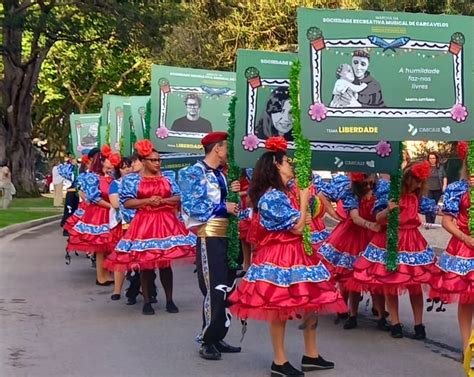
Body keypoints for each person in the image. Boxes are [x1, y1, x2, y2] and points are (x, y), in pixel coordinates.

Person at [229, 136, 346, 377]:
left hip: (299, 254)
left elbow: (318, 209)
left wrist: (310, 197)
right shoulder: (271, 197)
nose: (291, 164)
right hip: (279, 257)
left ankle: (311, 355)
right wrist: (304, 201)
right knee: (279, 306)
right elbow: (298, 227)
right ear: (276, 165)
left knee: (311, 302)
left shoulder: (289, 190)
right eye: (286, 161)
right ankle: (279, 361)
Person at [104, 140, 196, 315]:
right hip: (144, 223)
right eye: (153, 160)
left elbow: (178, 197)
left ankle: (170, 300)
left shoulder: (168, 177)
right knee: (146, 264)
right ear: (143, 161)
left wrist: (162, 201)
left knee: (165, 263)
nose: (157, 163)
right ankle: (147, 302)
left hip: (167, 223)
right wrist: (147, 201)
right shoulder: (132, 180)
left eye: (158, 160)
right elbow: (127, 202)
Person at [351, 161, 438, 339]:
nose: (419, 185)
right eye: (417, 181)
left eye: (422, 182)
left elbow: (439, 209)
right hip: (391, 239)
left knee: (414, 284)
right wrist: (388, 211)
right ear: (407, 178)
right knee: (391, 282)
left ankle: (419, 324)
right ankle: (395, 323)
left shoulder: (417, 197)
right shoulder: (390, 193)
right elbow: (378, 218)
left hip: (412, 241)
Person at [178, 131, 242, 360]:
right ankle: (207, 339)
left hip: (228, 235)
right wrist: (224, 207)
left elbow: (232, 206)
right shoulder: (192, 173)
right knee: (213, 288)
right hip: (210, 236)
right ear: (218, 148)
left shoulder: (221, 175)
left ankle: (218, 334)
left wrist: (235, 195)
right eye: (227, 148)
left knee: (228, 287)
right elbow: (192, 205)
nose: (229, 154)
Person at [317, 173, 386, 330]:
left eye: (370, 182)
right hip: (354, 234)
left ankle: (381, 314)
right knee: (351, 276)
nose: (368, 185)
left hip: (373, 235)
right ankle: (351, 314)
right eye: (364, 183)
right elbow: (322, 193)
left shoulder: (381, 189)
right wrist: (334, 214)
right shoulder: (350, 191)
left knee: (376, 277)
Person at [430, 141, 473, 353]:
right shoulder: (458, 188)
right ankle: (467, 346)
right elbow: (447, 221)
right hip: (464, 247)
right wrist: (466, 238)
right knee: (466, 299)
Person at [66, 145, 121, 285]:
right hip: (99, 214)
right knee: (101, 248)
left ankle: (105, 274)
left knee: (108, 247)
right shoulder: (92, 177)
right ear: (102, 161)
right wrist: (112, 207)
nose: (111, 161)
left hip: (109, 213)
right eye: (108, 159)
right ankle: (100, 276)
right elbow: (93, 197)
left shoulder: (109, 176)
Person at [425, 151, 447, 225]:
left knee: (434, 206)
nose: (432, 160)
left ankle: (432, 221)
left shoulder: (440, 167)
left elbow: (444, 177)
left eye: (433, 158)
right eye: (430, 158)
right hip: (428, 189)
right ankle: (428, 222)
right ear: (428, 159)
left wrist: (444, 186)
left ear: (436, 159)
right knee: (428, 205)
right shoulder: (425, 167)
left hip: (438, 189)